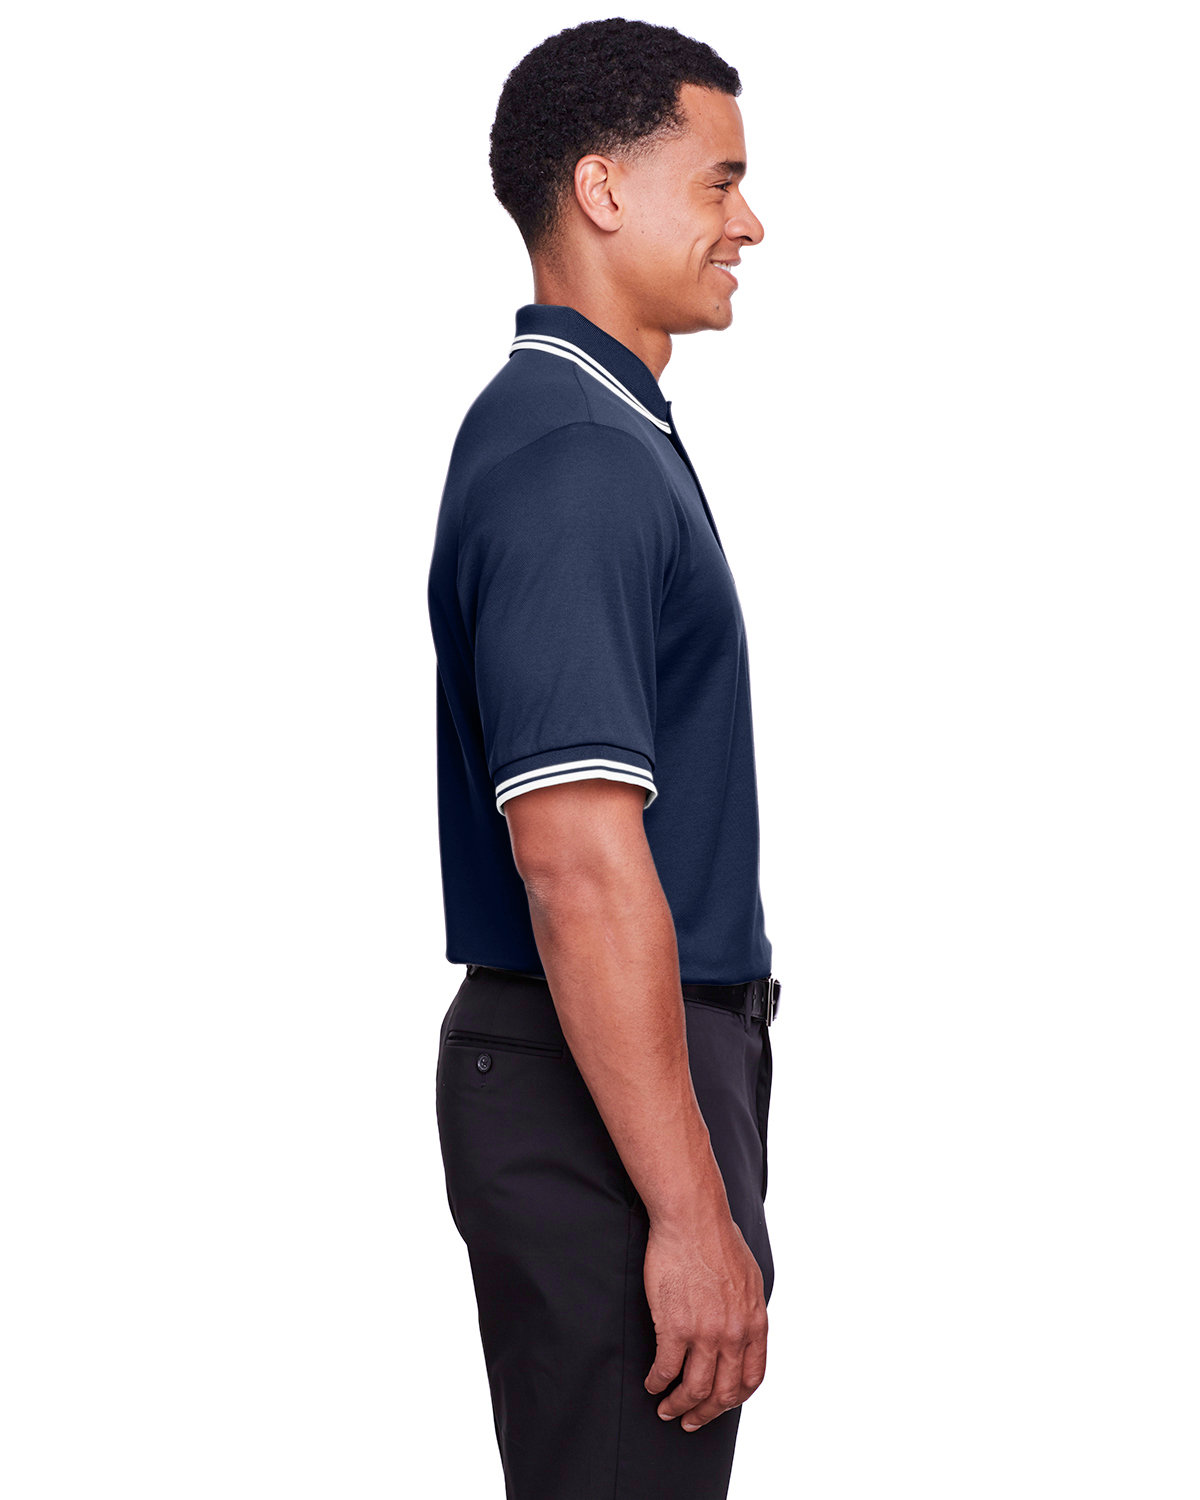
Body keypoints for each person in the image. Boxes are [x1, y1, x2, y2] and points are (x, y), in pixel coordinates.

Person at [426, 18, 781, 1498]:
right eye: (721, 182)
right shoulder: (574, 457)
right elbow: (574, 861)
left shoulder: (600, 432)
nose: (750, 224)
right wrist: (690, 1213)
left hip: (621, 1076)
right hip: (605, 1090)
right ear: (603, 187)